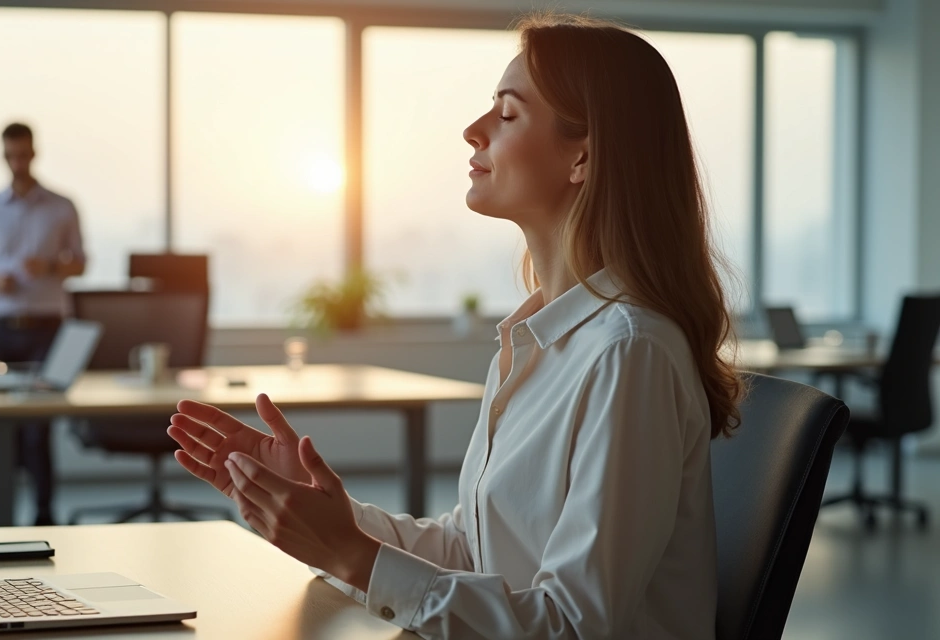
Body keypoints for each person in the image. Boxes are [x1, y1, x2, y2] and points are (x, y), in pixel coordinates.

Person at [166, 14, 744, 640]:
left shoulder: (630, 352)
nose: (473, 130)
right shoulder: (535, 343)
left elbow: (576, 628)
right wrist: (325, 521)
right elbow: (471, 553)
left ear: (582, 155)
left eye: (508, 113)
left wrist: (351, 554)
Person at [0, 123, 86, 526]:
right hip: (2, 327)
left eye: (24, 154)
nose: (18, 162)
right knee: (5, 430)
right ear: (4, 156)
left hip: (47, 327)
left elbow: (81, 262)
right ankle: (3, 518)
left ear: (35, 153)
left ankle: (44, 514)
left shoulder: (62, 206)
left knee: (38, 429)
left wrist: (50, 265)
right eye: (11, 155)